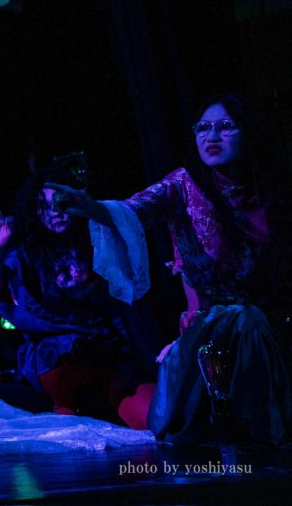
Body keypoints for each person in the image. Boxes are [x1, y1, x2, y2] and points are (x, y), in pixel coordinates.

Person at [49, 94, 292, 446]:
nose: (212, 136)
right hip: (206, 336)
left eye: (225, 127)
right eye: (203, 128)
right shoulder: (184, 185)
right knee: (244, 317)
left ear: (249, 133)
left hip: (269, 330)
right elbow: (132, 210)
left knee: (255, 320)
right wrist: (91, 208)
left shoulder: (272, 193)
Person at [0, 169, 158, 430]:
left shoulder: (97, 243)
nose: (55, 212)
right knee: (74, 431)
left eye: (60, 203)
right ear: (34, 213)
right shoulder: (27, 255)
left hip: (107, 353)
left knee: (154, 419)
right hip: (61, 362)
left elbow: (127, 286)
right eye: (44, 207)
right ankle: (65, 408)